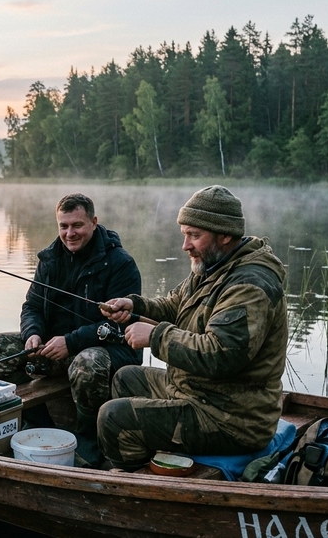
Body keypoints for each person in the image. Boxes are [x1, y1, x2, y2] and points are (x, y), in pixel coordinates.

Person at [99, 185, 288, 470]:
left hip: (231, 418)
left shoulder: (250, 285)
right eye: (185, 234)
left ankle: (136, 486)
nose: (185, 245)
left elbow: (221, 354)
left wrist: (155, 336)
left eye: (194, 236)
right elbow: (175, 305)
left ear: (225, 235)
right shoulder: (213, 265)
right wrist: (134, 306)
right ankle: (150, 458)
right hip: (198, 392)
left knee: (113, 417)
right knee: (126, 378)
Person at [0, 193, 142, 466]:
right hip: (54, 349)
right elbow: (31, 305)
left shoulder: (120, 264)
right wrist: (31, 334)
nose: (70, 233)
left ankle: (89, 441)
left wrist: (70, 341)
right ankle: (37, 423)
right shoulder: (49, 259)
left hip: (108, 352)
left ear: (93, 222)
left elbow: (119, 324)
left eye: (77, 225)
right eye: (63, 226)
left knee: (86, 363)